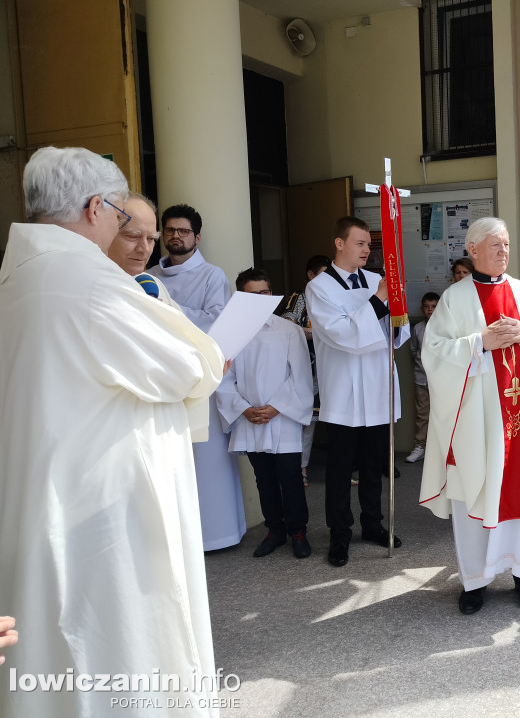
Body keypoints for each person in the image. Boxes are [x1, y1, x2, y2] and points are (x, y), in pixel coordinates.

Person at [0, 146, 225, 716]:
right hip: (101, 512)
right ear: (97, 207)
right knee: (119, 657)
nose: (132, 236)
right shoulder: (87, 280)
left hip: (52, 495)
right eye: (124, 219)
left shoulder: (21, 276)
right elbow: (189, 367)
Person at [419, 217, 520, 615]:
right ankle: (474, 582)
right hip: (479, 422)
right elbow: (433, 352)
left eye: (506, 244)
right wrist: (479, 343)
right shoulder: (455, 298)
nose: (504, 251)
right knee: (475, 492)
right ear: (474, 248)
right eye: (496, 245)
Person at [306, 216, 410, 568]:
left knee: (373, 464)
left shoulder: (376, 279)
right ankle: (339, 533)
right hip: (345, 391)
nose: (367, 250)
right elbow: (343, 334)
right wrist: (380, 300)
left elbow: (396, 330)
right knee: (339, 469)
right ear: (340, 243)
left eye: (369, 244)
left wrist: (397, 308)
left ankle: (373, 524)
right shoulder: (319, 287)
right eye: (360, 243)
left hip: (378, 384)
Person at [150, 203, 246, 551]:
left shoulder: (212, 276)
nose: (176, 236)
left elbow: (215, 324)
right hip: (163, 378)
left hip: (200, 378)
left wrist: (166, 308)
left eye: (184, 231)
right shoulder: (150, 277)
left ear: (197, 236)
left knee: (207, 462)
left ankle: (218, 534)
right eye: (170, 230)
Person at [219, 268, 315, 559]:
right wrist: (243, 409)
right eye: (252, 294)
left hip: (282, 416)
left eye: (265, 293)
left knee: (290, 477)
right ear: (241, 298)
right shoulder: (231, 333)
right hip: (250, 418)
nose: (260, 299)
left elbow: (300, 376)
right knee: (264, 479)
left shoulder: (288, 330)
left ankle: (298, 531)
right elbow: (223, 378)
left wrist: (276, 408)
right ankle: (275, 530)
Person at [283, 254, 331, 486]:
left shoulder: (334, 297)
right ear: (310, 276)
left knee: (337, 420)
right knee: (307, 421)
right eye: (323, 274)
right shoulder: (299, 298)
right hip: (306, 363)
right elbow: (287, 324)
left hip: (331, 365)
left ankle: (339, 469)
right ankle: (301, 469)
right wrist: (317, 333)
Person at [106, 191, 178, 305]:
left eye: (151, 239)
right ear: (104, 234)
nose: (144, 249)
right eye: (133, 236)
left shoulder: (153, 285)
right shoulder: (86, 290)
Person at [406, 291, 441, 464]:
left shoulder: (445, 327)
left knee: (443, 414)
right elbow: (414, 351)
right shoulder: (418, 328)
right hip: (422, 379)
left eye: (434, 307)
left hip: (442, 380)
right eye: (426, 307)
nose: (430, 310)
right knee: (423, 414)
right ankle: (420, 446)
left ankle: (441, 450)